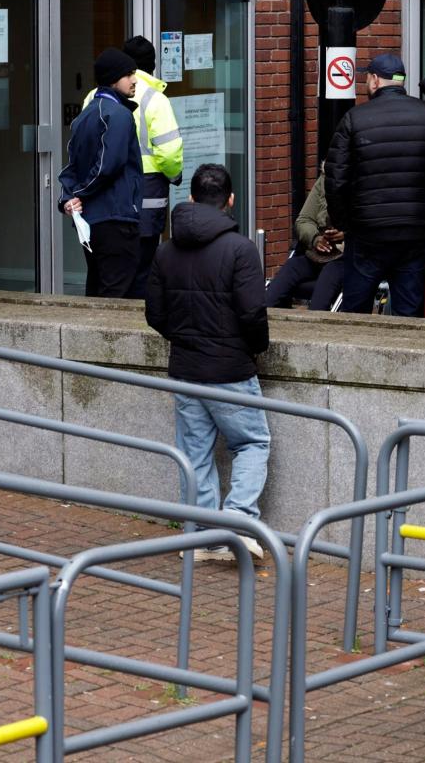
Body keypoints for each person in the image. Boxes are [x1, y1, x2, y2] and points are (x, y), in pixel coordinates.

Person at [146, 163, 269, 561]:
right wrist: (254, 348)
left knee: (195, 454)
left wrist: (184, 339)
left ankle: (201, 539)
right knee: (252, 443)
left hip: (185, 369)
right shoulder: (240, 249)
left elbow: (155, 314)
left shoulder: (166, 251)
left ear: (192, 199)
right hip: (231, 368)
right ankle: (237, 523)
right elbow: (252, 314)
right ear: (230, 201)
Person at [325, 53, 425, 317]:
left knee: (356, 311)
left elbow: (335, 179)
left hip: (367, 232)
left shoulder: (354, 119)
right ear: (401, 82)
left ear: (374, 80)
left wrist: (344, 223)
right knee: (409, 312)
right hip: (416, 231)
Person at [85, 36, 184, 299]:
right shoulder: (156, 100)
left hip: (102, 203)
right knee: (139, 276)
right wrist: (175, 175)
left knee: (101, 274)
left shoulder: (93, 97)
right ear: (152, 66)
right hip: (146, 196)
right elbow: (170, 152)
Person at [58, 48, 143, 298]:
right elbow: (108, 165)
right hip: (116, 219)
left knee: (97, 288)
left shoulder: (85, 115)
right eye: (129, 74)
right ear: (113, 78)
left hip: (92, 221)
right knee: (116, 294)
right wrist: (79, 196)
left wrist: (67, 199)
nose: (135, 80)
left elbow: (71, 167)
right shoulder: (119, 115)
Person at [264, 164, 345, 310]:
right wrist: (315, 239)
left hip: (344, 258)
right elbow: (304, 220)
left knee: (323, 290)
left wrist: (344, 235)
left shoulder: (363, 181)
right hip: (317, 253)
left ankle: (314, 326)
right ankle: (262, 322)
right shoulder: (325, 179)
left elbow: (369, 226)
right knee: (290, 268)